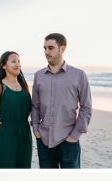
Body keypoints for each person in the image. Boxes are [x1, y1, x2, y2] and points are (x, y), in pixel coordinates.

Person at [30, 33, 92, 168]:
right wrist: (36, 129)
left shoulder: (79, 75)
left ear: (62, 49)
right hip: (44, 140)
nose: (46, 52)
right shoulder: (38, 76)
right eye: (44, 48)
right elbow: (35, 105)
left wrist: (74, 136)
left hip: (68, 139)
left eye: (50, 48)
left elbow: (86, 107)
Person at [0, 51, 33, 168]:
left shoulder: (24, 86)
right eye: (13, 61)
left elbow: (28, 109)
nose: (17, 64)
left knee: (24, 168)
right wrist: (5, 132)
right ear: (4, 65)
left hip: (25, 133)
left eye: (19, 61)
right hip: (7, 134)